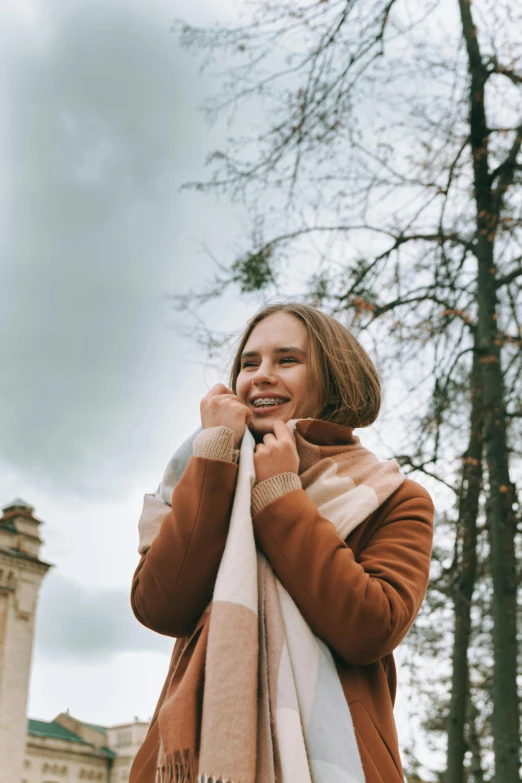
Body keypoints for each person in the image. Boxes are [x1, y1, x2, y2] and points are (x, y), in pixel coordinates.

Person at [129, 302, 434, 783]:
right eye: (250, 364)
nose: (261, 376)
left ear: (333, 377)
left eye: (287, 360)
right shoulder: (207, 469)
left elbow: (369, 627)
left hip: (341, 759)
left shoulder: (392, 497)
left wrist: (279, 496)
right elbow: (159, 605)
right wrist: (213, 458)